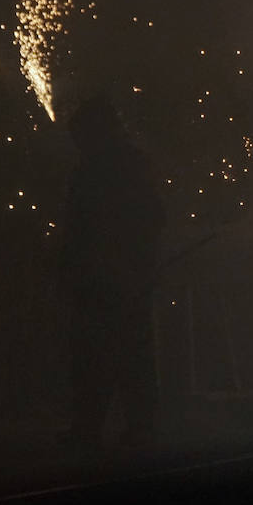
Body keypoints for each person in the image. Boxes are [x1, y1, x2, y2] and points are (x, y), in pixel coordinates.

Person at [56, 93, 165, 450]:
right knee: (125, 352)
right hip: (118, 272)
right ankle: (136, 425)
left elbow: (80, 225)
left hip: (109, 272)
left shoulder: (94, 169)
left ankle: (97, 425)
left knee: (98, 353)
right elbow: (152, 219)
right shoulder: (129, 164)